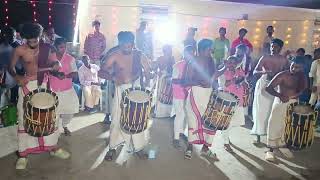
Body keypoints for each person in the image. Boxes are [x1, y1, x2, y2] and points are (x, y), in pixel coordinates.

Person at [9, 23, 70, 170]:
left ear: (40, 37)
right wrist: (17, 78)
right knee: (25, 119)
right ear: (24, 39)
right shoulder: (19, 50)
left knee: (50, 119)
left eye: (35, 40)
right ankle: (23, 155)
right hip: (27, 85)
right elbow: (10, 67)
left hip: (44, 84)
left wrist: (56, 66)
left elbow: (53, 63)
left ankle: (53, 148)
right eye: (29, 41)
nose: (33, 44)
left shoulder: (47, 48)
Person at [98, 31, 152, 161]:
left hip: (136, 90)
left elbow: (148, 71)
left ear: (133, 44)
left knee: (138, 119)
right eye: (124, 46)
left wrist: (149, 75)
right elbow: (101, 72)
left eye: (130, 46)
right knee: (116, 118)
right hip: (120, 89)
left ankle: (139, 148)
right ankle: (112, 147)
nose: (127, 48)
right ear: (120, 44)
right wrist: (112, 77)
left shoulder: (139, 55)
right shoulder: (114, 55)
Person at [265, 61, 307, 162]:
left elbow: (302, 90)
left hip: (293, 103)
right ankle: (270, 149)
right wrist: (280, 96)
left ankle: (282, 145)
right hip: (280, 102)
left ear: (301, 69)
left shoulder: (302, 77)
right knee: (274, 124)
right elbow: (268, 88)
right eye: (292, 66)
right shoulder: (283, 75)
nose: (293, 69)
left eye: (297, 67)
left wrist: (293, 97)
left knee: (287, 125)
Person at [183, 39, 218, 160]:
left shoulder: (211, 61)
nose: (211, 51)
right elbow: (186, 80)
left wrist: (215, 88)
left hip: (208, 94)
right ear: (202, 50)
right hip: (195, 93)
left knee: (209, 121)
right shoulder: (193, 61)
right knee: (193, 121)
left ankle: (205, 148)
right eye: (210, 49)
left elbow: (213, 79)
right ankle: (190, 147)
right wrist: (200, 82)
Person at [251, 38, 289, 143]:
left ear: (280, 48)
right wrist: (264, 72)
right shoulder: (265, 57)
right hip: (263, 85)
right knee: (260, 111)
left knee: (272, 111)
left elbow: (287, 72)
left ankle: (271, 135)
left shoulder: (284, 60)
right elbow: (254, 71)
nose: (273, 48)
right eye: (272, 46)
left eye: (276, 46)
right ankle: (257, 135)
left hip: (276, 87)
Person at [216, 56, 248, 152]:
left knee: (235, 121)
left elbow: (245, 83)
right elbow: (223, 85)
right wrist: (234, 80)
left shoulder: (240, 71)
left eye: (234, 63)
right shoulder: (222, 72)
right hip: (227, 101)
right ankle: (226, 142)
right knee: (226, 122)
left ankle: (225, 135)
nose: (231, 65)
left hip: (238, 100)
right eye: (229, 62)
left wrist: (244, 83)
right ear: (226, 63)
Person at [49, 37, 79, 135]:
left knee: (71, 110)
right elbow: (47, 70)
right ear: (56, 47)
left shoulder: (70, 58)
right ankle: (54, 131)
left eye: (65, 47)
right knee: (55, 112)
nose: (64, 49)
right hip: (53, 89)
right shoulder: (50, 57)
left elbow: (75, 73)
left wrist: (66, 75)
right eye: (61, 47)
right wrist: (55, 74)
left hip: (67, 89)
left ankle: (65, 125)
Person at [172, 45, 195, 149]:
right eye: (188, 53)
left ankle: (181, 132)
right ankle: (176, 138)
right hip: (179, 94)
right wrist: (185, 81)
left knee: (186, 115)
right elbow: (173, 80)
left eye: (192, 53)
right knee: (180, 115)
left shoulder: (194, 66)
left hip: (189, 94)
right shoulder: (178, 65)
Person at [154, 44, 175, 118]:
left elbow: (174, 69)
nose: (171, 52)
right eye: (169, 50)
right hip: (162, 79)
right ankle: (160, 113)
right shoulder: (160, 59)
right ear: (165, 51)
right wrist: (158, 73)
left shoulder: (172, 59)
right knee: (161, 94)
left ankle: (168, 113)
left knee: (169, 95)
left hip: (170, 79)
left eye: (171, 50)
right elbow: (155, 68)